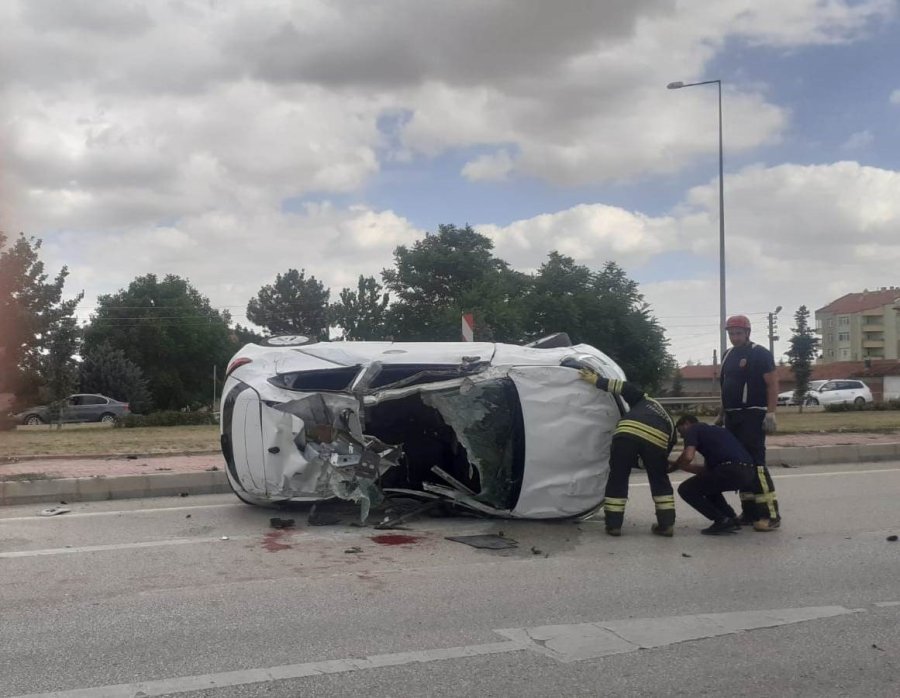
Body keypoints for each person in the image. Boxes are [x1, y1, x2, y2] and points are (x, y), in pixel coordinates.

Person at [579, 369, 677, 537]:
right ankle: (666, 525)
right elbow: (665, 450)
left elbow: (625, 387)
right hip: (656, 440)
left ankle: (614, 526)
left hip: (627, 434)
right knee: (659, 480)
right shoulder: (669, 423)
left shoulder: (645, 399)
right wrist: (653, 466)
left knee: (618, 477)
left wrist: (598, 381)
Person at [718, 314, 781, 530]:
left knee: (756, 464)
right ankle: (750, 511)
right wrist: (722, 413)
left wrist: (771, 413)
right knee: (740, 465)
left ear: (747, 333)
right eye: (731, 333)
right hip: (732, 416)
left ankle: (770, 515)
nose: (734, 337)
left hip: (752, 414)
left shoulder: (759, 353)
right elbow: (725, 386)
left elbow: (772, 384)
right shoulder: (727, 355)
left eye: (738, 333)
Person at [669, 415, 770, 535]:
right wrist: (678, 465)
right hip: (747, 471)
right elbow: (704, 472)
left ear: (686, 423)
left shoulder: (693, 429)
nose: (681, 436)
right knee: (707, 487)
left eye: (680, 431)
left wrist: (673, 468)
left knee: (685, 489)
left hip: (730, 469)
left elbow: (688, 456)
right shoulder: (717, 432)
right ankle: (731, 518)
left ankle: (721, 520)